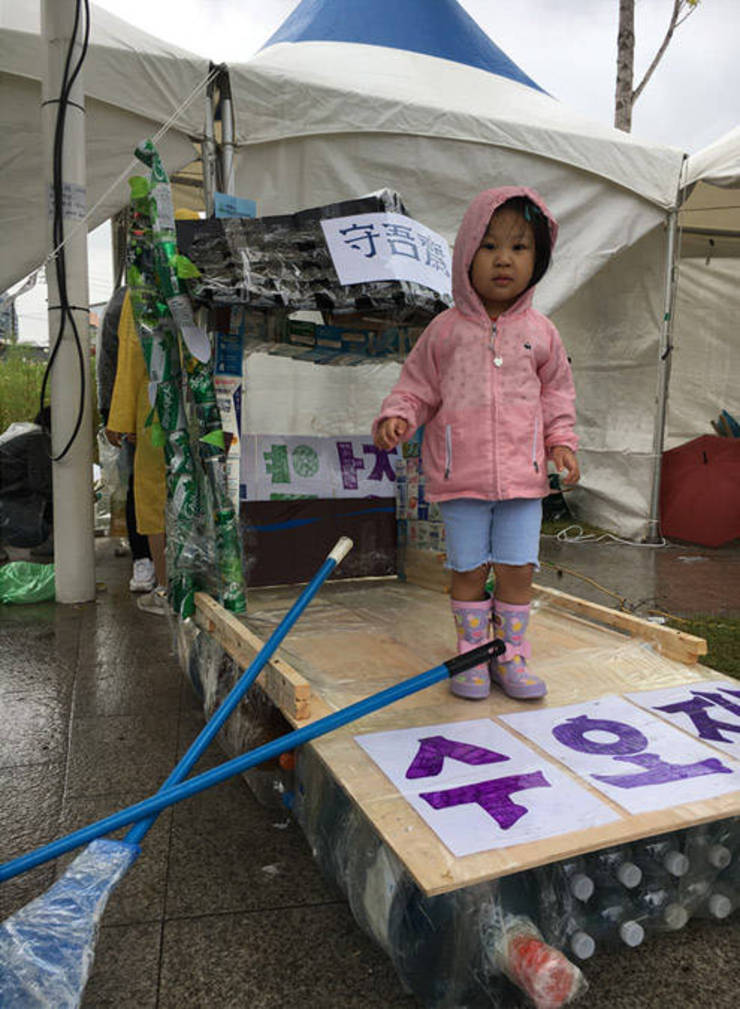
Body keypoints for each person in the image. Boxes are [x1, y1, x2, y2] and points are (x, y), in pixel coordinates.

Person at [373, 187, 580, 701]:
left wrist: (561, 442)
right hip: (459, 480)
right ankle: (472, 655)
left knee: (517, 570)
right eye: (489, 246)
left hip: (524, 482)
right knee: (467, 570)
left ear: (538, 258)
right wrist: (398, 415)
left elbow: (557, 393)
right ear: (466, 252)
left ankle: (510, 656)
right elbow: (416, 387)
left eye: (519, 247)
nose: (503, 259)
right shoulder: (444, 332)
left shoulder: (542, 333)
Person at [107, 289, 168, 615]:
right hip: (207, 399)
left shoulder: (141, 284)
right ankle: (201, 586)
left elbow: (131, 353)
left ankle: (167, 588)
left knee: (154, 495)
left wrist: (121, 417)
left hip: (156, 404)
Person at [97, 286, 156, 594]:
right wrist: (113, 414)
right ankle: (143, 558)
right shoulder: (126, 299)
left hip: (175, 406)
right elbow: (110, 360)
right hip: (138, 409)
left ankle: (165, 559)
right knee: (141, 485)